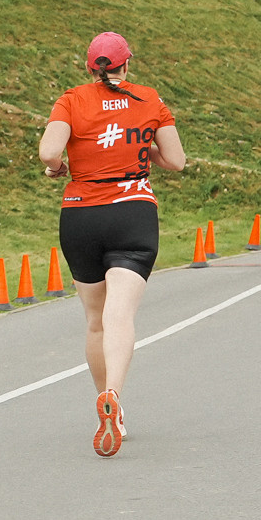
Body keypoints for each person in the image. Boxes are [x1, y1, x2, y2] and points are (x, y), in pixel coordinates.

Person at [39, 32, 187, 458]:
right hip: (132, 213)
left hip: (81, 215)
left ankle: (105, 402)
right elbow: (176, 160)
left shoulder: (71, 100)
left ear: (89, 67)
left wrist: (58, 167)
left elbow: (49, 151)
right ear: (128, 64)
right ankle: (114, 396)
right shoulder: (149, 99)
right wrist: (143, 149)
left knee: (95, 320)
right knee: (120, 313)